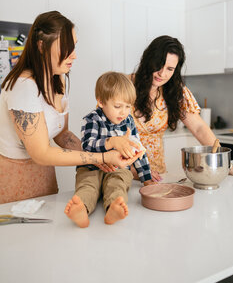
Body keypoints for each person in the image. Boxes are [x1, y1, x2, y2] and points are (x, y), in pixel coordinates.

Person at [0, 11, 142, 204]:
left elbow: (62, 134)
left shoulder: (59, 79)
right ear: (41, 46)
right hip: (14, 177)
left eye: (74, 46)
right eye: (66, 47)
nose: (74, 55)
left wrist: (100, 157)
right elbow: (41, 153)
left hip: (44, 173)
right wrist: (100, 158)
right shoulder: (23, 87)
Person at [129, 35, 233, 179]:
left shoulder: (174, 91)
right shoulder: (124, 86)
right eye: (159, 65)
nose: (162, 74)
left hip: (156, 175)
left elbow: (199, 128)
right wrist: (133, 172)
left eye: (170, 69)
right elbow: (105, 132)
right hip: (122, 174)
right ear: (148, 60)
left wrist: (226, 165)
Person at [64, 71, 152, 227]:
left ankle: (113, 208)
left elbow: (138, 150)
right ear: (101, 101)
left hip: (117, 169)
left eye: (128, 106)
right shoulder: (92, 118)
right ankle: (81, 210)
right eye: (118, 106)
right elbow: (87, 145)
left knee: (118, 185)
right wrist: (111, 142)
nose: (123, 112)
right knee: (87, 186)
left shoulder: (128, 121)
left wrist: (147, 178)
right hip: (90, 167)